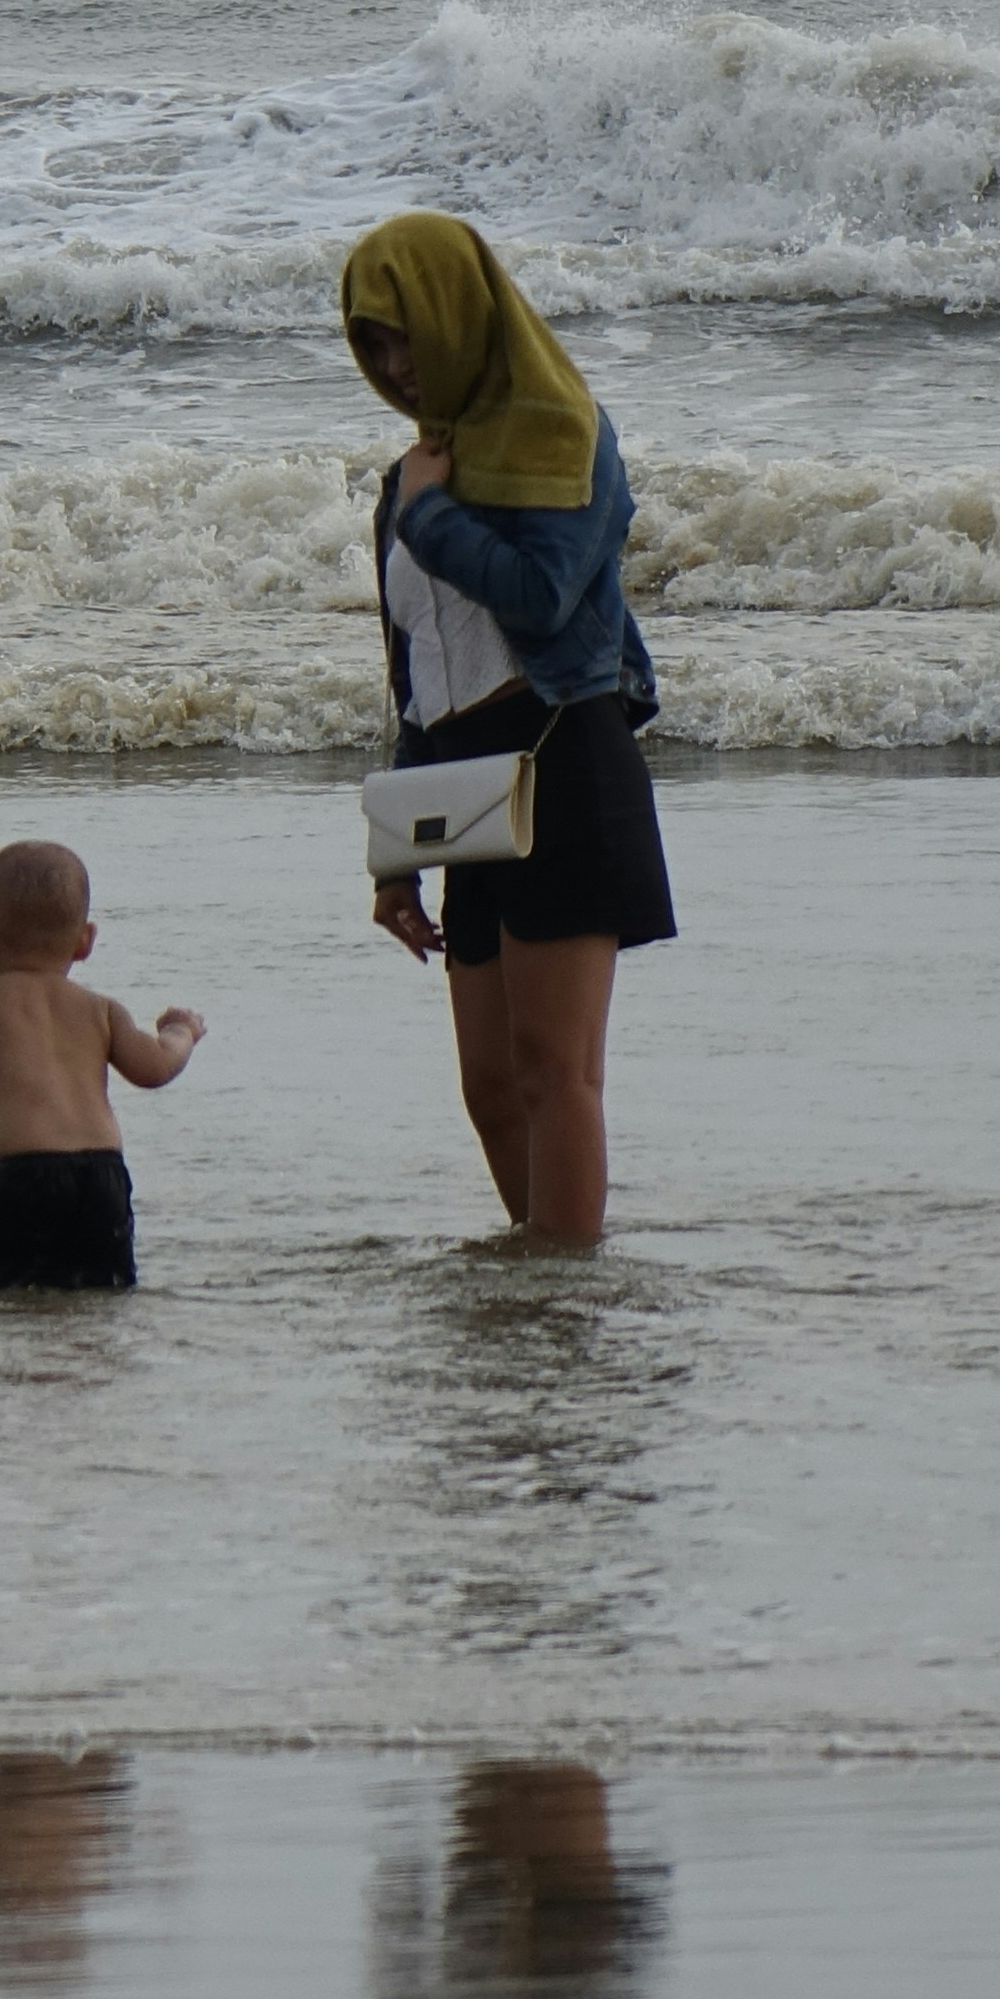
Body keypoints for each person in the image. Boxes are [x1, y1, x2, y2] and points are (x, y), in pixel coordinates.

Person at [341, 210, 673, 1244]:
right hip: (465, 791)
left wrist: (434, 520)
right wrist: (393, 856)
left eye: (409, 336)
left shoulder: (562, 432)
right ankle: (543, 1281)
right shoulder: (411, 475)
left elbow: (541, 599)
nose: (396, 366)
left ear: (460, 317)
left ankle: (564, 1287)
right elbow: (416, 678)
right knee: (488, 1083)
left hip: (561, 757)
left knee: (552, 1067)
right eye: (373, 345)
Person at [0, 838, 204, 1296]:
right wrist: (181, 1030)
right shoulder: (102, 1010)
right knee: (90, 1285)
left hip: (27, 1176)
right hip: (104, 1183)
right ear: (85, 941)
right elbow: (156, 1067)